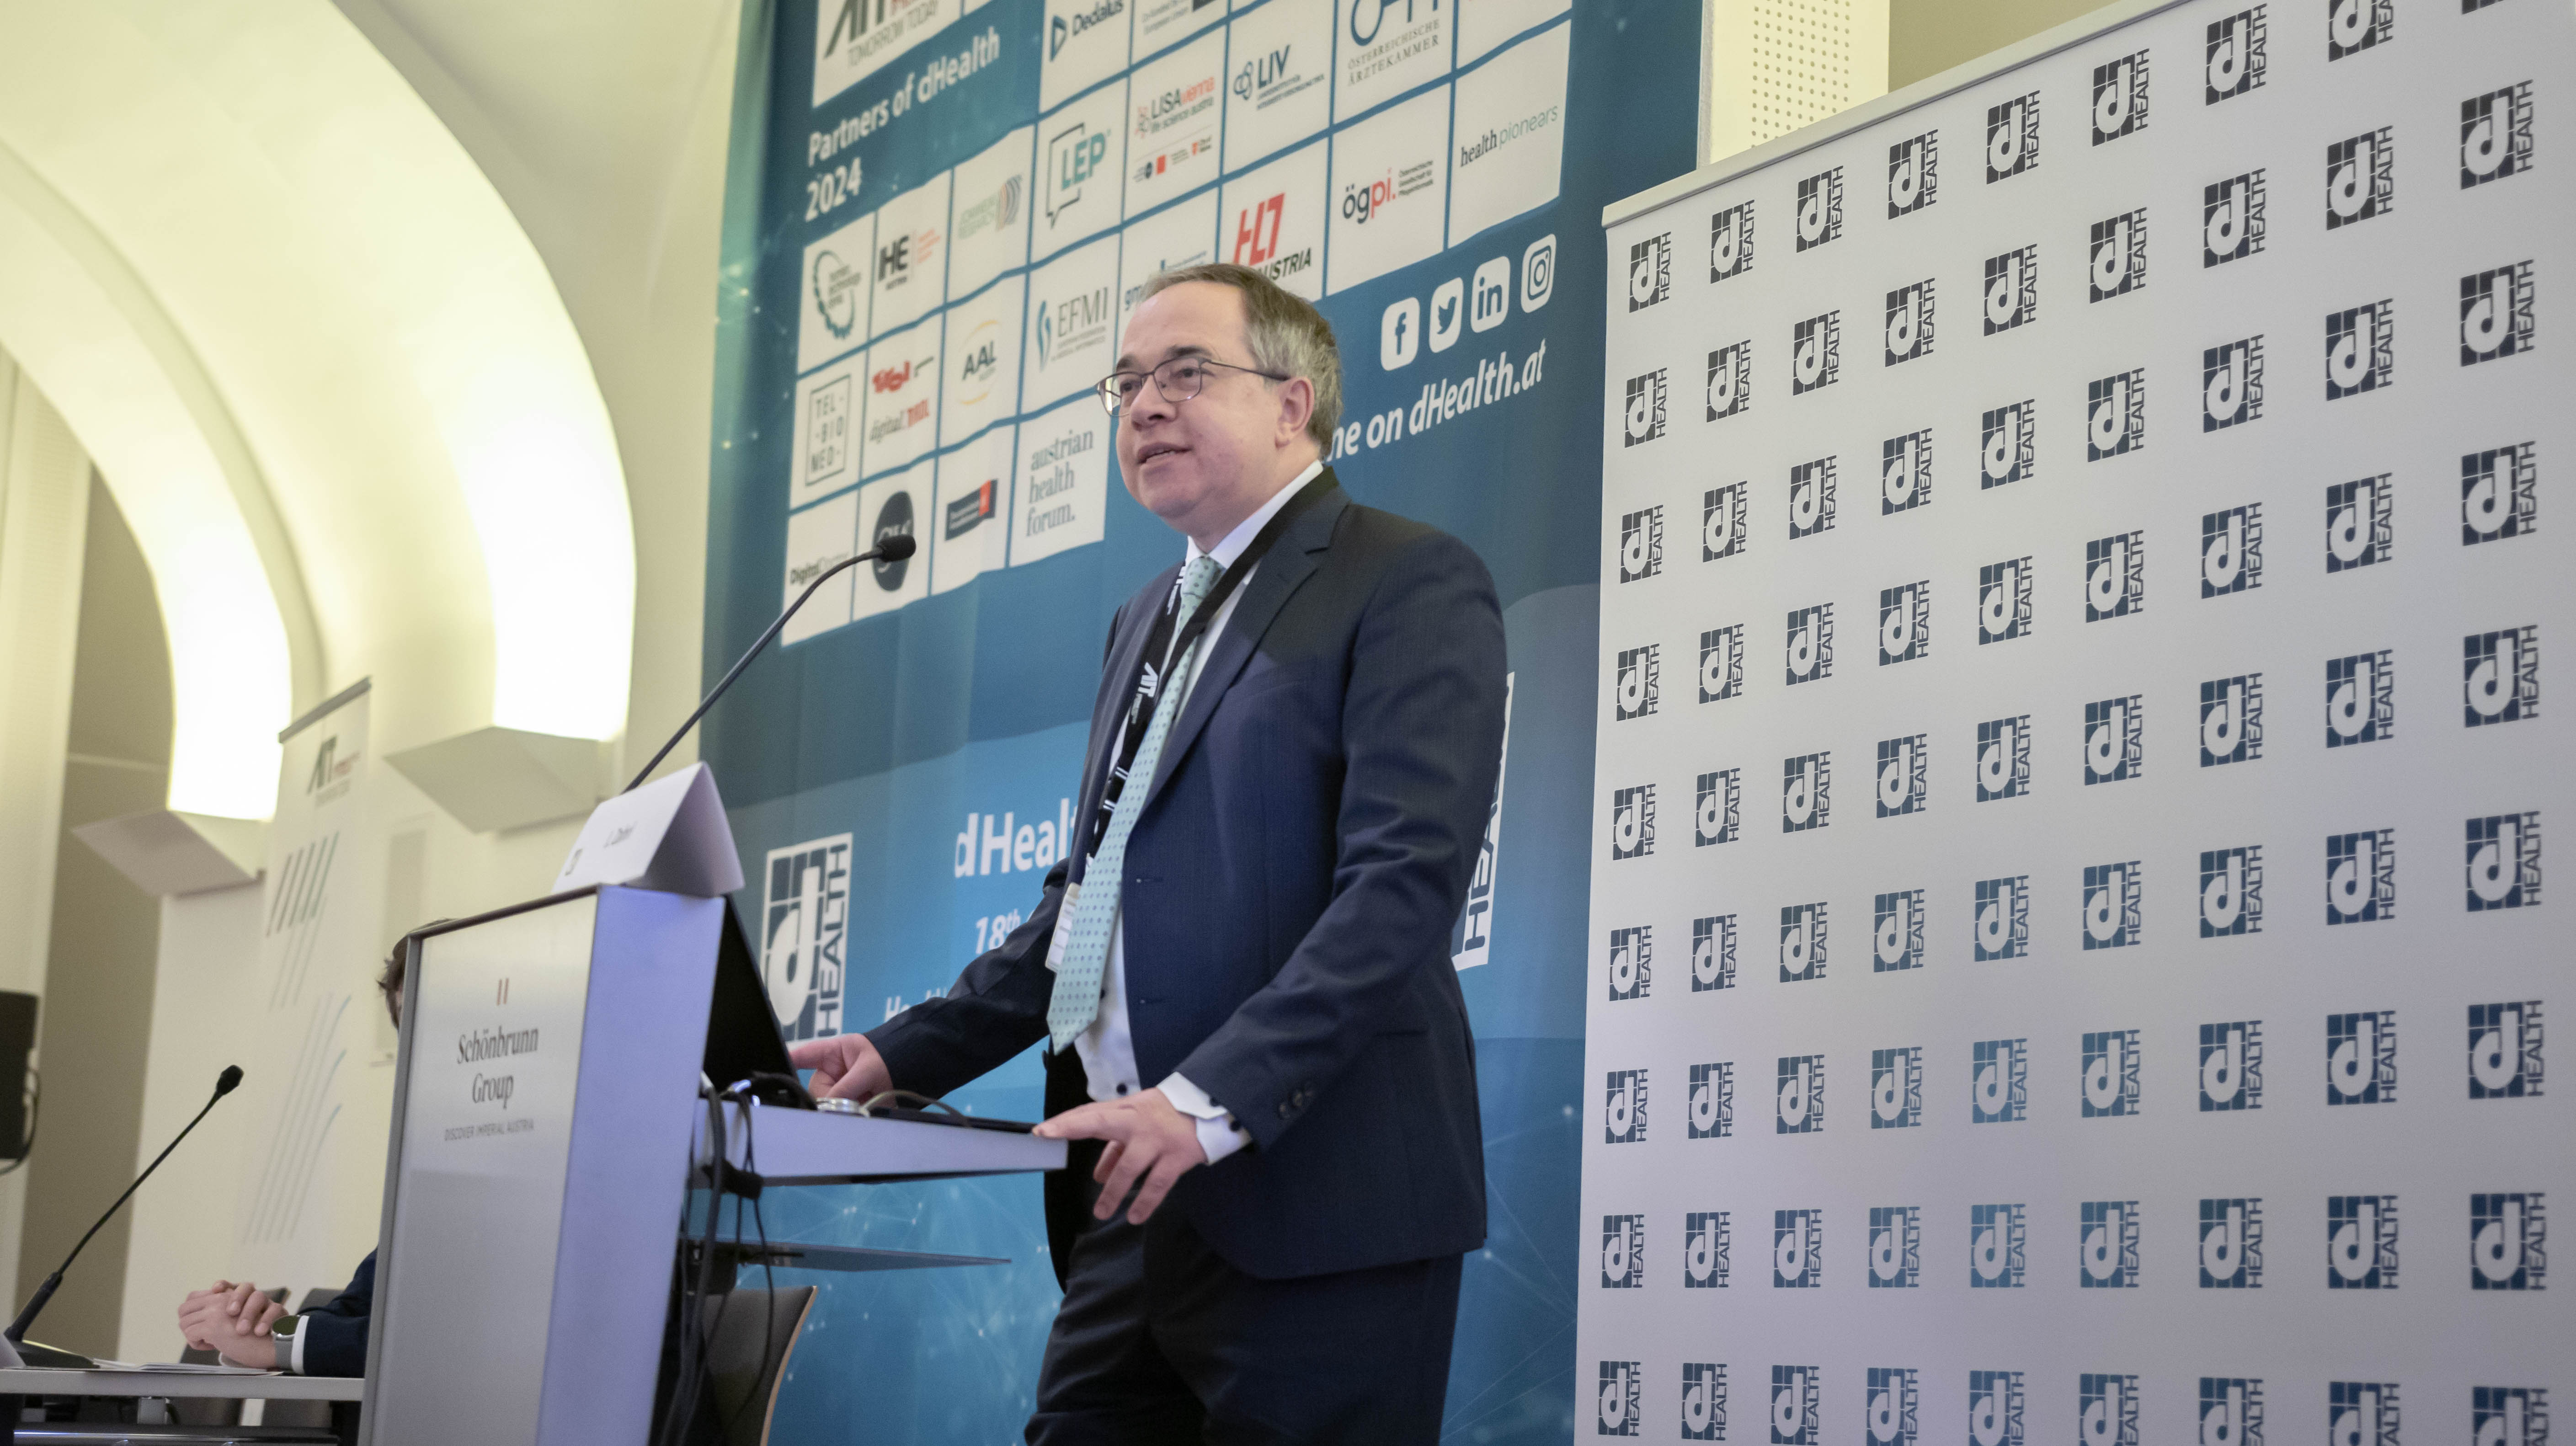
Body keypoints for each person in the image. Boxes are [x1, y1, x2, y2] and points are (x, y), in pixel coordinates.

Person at [790, 262, 1508, 1443]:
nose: (1145, 405)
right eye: (1125, 384)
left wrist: (1203, 1101)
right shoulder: (1145, 618)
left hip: (1314, 1199)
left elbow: (1402, 888)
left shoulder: (1403, 579)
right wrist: (899, 1051)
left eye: (1185, 373)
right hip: (1129, 1197)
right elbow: (1089, 903)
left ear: (1292, 403)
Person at [173, 943, 413, 1376]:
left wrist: (277, 1344)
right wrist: (263, 1326)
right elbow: (353, 1311)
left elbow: (438, 1341)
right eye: (411, 1028)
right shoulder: (426, 1179)